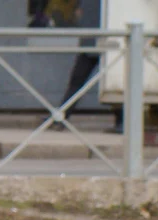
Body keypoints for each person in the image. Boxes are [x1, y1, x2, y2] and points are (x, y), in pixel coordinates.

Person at [51, 0, 123, 132]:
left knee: (116, 81)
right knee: (78, 80)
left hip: (109, 40)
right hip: (95, 39)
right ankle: (61, 116)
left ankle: (122, 121)